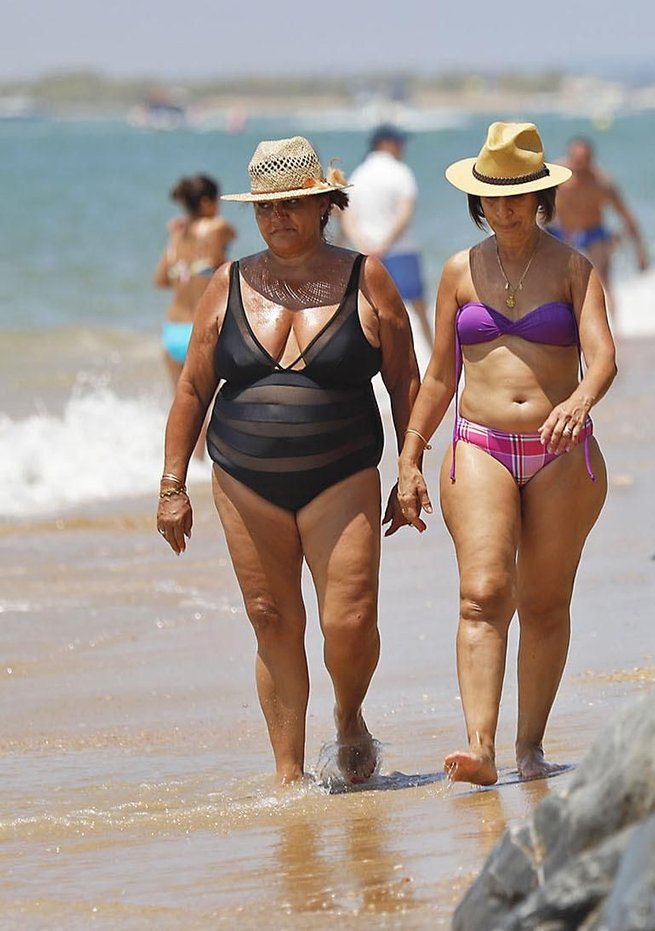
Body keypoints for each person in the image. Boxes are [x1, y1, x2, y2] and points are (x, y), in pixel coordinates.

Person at [155, 137, 421, 786]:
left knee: (349, 620)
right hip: (243, 480)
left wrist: (410, 465)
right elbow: (192, 389)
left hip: (343, 474)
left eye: (291, 204)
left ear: (323, 205)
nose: (276, 217)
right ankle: (288, 776)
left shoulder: (366, 277)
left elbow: (405, 379)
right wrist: (171, 485)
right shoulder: (228, 283)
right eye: (265, 207)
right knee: (270, 618)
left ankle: (349, 714)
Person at [394, 122, 615, 786]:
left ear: (540, 196)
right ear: (477, 199)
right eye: (493, 195)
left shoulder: (573, 267)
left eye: (517, 194)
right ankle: (480, 747)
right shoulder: (458, 271)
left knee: (545, 602)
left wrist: (580, 400)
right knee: (483, 592)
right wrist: (409, 456)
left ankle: (530, 747)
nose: (505, 207)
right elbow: (439, 375)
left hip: (559, 449)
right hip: (479, 444)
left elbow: (603, 356)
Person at [343, 125, 432, 350]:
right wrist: (385, 244)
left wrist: (363, 245)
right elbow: (405, 214)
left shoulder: (358, 175)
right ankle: (434, 354)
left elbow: (347, 218)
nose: (402, 148)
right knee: (418, 310)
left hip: (367, 254)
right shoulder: (400, 172)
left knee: (371, 312)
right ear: (385, 144)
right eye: (399, 143)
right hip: (400, 250)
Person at [549, 136, 649, 320]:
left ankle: (615, 327)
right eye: (575, 161)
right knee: (555, 284)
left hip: (594, 233)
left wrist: (640, 251)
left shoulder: (602, 183)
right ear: (569, 158)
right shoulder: (556, 177)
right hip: (563, 233)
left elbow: (627, 217)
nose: (579, 167)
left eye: (584, 161)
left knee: (603, 281)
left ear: (591, 160)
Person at [154, 174, 236, 388]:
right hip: (201, 330)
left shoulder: (176, 237)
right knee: (211, 403)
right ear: (206, 202)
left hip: (172, 332)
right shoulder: (216, 226)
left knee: (181, 402)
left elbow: (160, 280)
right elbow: (232, 234)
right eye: (217, 201)